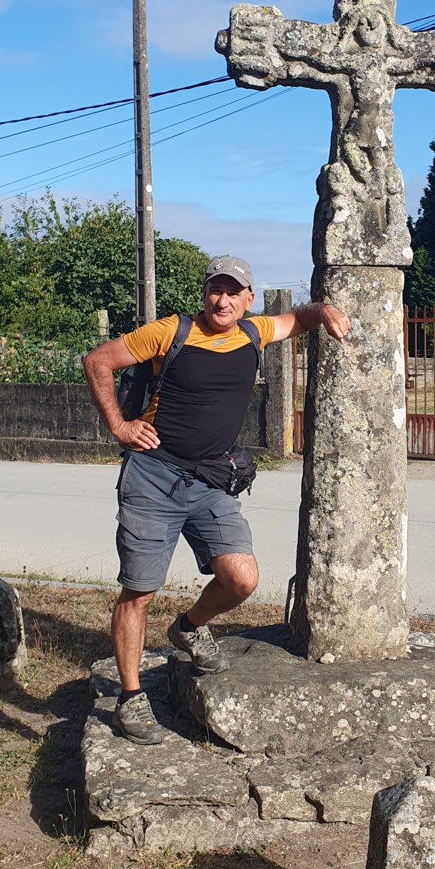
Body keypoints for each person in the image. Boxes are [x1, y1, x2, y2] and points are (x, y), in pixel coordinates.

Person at [83, 255, 350, 745]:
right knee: (139, 591)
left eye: (232, 292)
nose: (222, 300)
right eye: (215, 290)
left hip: (210, 480)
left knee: (241, 578)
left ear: (249, 299)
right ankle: (130, 697)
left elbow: (301, 318)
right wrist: (118, 426)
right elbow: (97, 361)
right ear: (204, 293)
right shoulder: (171, 332)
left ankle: (188, 627)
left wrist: (326, 310)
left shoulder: (254, 332)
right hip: (154, 475)